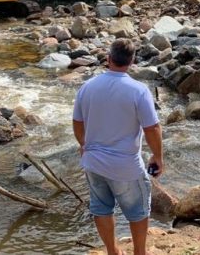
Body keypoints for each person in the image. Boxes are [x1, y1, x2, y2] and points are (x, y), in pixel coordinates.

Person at [72, 38, 164, 255]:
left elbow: (77, 122)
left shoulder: (87, 87)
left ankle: (113, 251)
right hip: (125, 166)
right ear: (131, 61)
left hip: (93, 163)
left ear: (108, 59)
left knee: (101, 208)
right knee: (138, 211)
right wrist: (157, 156)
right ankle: (139, 252)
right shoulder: (138, 90)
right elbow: (152, 128)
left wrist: (83, 144)